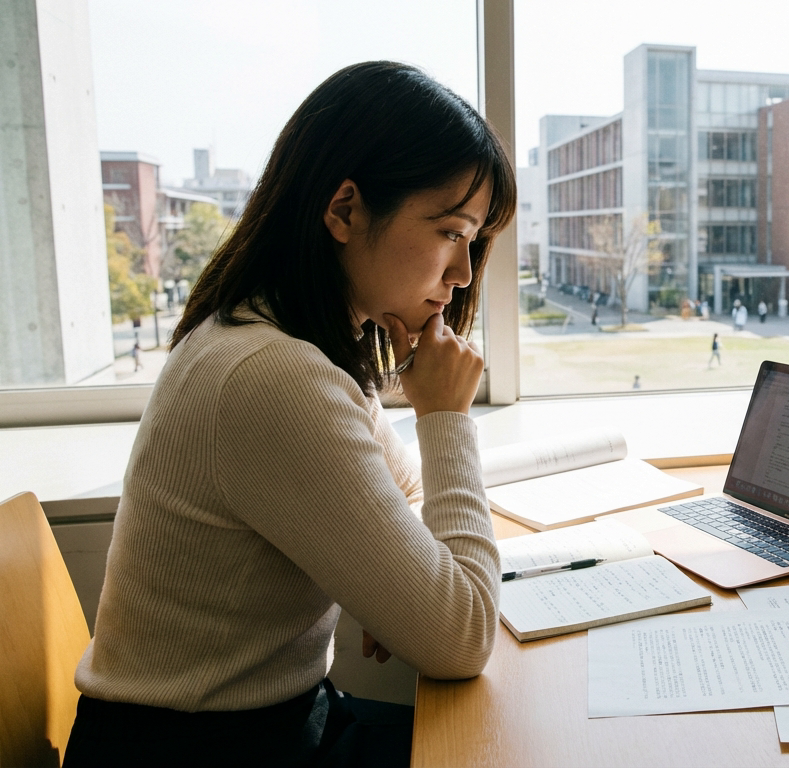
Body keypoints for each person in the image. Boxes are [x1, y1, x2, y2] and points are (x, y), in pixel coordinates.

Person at [61, 62, 516, 768]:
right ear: (343, 210)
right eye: (453, 233)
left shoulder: (301, 341)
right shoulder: (270, 376)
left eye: (473, 242)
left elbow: (405, 495)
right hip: (196, 752)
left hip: (264, 727)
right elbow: (460, 638)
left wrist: (401, 579)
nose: (461, 274)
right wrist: (446, 417)